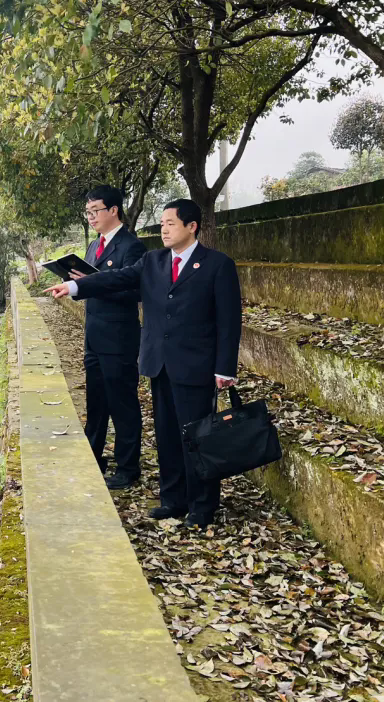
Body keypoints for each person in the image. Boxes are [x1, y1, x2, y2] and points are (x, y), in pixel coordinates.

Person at [45, 198, 242, 528]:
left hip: (196, 364)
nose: (164, 229)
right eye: (162, 223)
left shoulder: (217, 265)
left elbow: (229, 320)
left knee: (195, 436)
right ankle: (173, 499)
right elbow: (117, 279)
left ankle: (202, 506)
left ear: (192, 227)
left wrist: (225, 367)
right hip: (158, 362)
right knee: (165, 434)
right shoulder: (153, 261)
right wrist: (75, 285)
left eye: (171, 224)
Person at [72, 185, 147, 490]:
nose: (91, 217)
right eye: (87, 212)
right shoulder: (93, 246)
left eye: (96, 211)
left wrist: (93, 283)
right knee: (96, 401)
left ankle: (128, 467)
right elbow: (89, 285)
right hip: (94, 335)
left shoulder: (132, 247)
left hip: (119, 337)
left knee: (123, 404)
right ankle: (93, 455)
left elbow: (135, 290)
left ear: (113, 210)